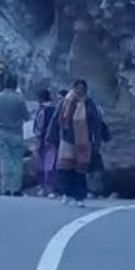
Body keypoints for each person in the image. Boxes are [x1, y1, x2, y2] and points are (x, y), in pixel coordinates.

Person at [48, 79, 105, 207]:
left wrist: (97, 140)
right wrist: (51, 136)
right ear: (73, 88)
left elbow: (96, 123)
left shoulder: (89, 103)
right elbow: (56, 119)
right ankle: (67, 193)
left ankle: (80, 196)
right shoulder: (66, 101)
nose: (80, 91)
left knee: (81, 170)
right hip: (67, 140)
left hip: (84, 141)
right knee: (65, 169)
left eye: (82, 88)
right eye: (77, 88)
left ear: (86, 90)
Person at [0, 75, 30, 196]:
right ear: (15, 85)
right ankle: (16, 189)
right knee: (17, 161)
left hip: (2, 133)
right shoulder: (20, 99)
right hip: (16, 133)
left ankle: (6, 188)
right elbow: (27, 117)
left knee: (5, 161)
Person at [33, 89, 59, 197]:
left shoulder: (42, 110)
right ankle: (50, 188)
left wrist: (38, 139)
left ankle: (45, 188)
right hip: (52, 140)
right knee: (50, 164)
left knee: (43, 164)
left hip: (43, 140)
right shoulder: (55, 109)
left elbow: (39, 127)